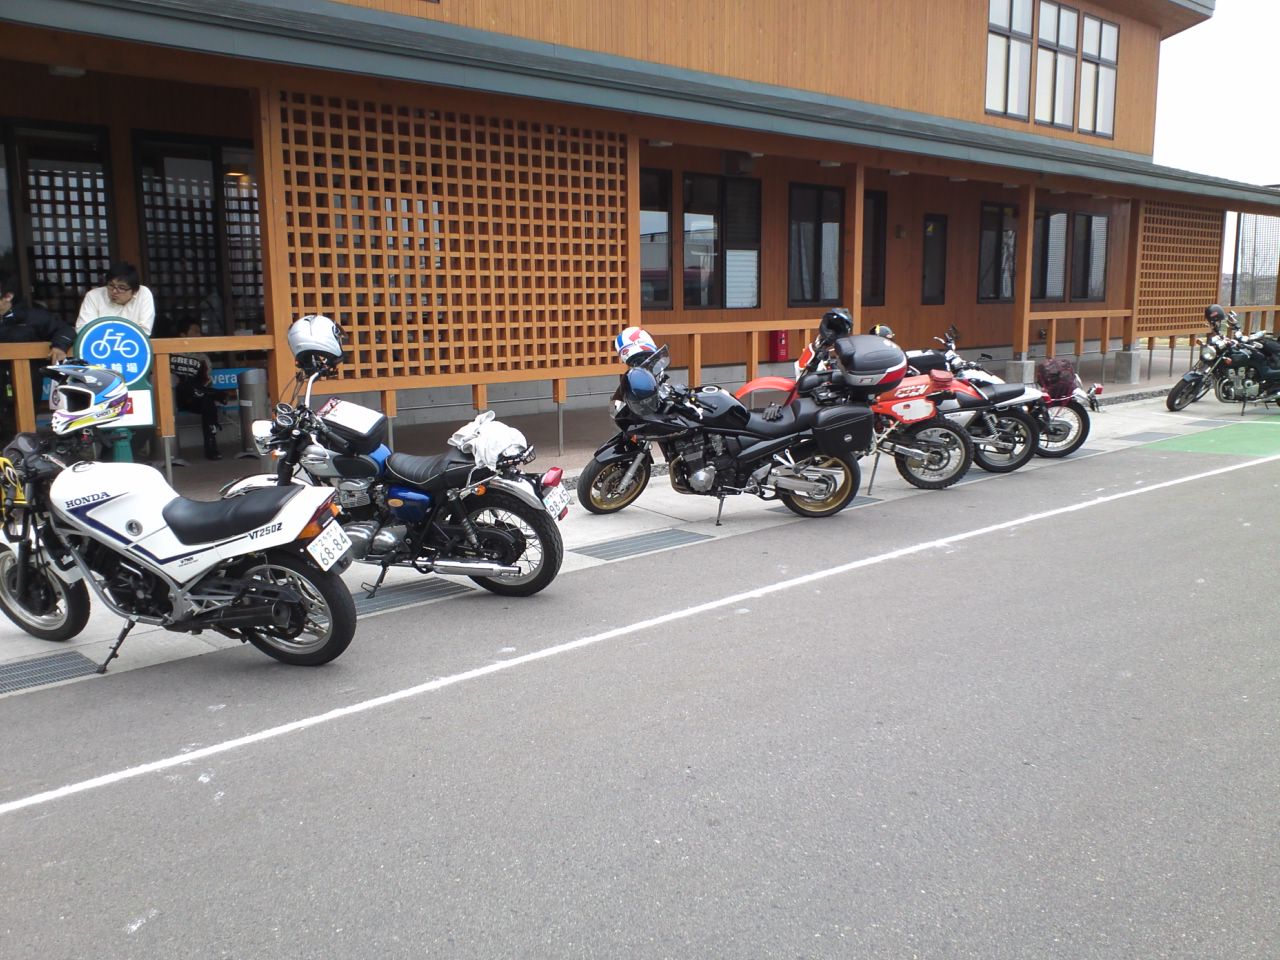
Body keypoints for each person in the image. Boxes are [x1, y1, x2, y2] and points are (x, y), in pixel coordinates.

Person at [0, 274, 75, 437]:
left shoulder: (32, 316)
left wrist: (59, 346)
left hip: (25, 381)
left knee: (20, 427)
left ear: (8, 296)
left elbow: (65, 330)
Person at [170, 321, 227, 460]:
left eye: (200, 332)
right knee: (184, 386)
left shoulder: (202, 358)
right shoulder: (169, 353)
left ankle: (211, 446)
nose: (199, 335)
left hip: (195, 399)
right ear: (183, 335)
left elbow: (206, 381)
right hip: (173, 398)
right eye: (195, 331)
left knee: (208, 403)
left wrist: (200, 390)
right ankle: (214, 394)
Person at [76, 262, 156, 334]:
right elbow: (82, 329)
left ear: (135, 291)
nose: (114, 291)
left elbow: (144, 331)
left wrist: (107, 332)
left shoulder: (143, 293)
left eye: (121, 288)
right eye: (111, 285)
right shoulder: (94, 296)